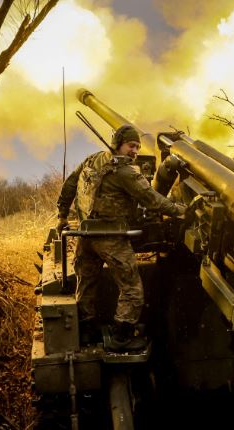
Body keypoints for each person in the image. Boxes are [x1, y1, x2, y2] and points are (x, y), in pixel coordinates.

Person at [56, 125, 186, 352]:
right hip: (111, 237)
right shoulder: (126, 172)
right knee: (132, 288)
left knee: (86, 281)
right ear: (118, 143)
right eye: (131, 146)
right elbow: (152, 199)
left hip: (85, 234)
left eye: (137, 146)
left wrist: (62, 215)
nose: (134, 151)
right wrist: (180, 210)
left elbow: (70, 184)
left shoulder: (93, 160)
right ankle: (121, 335)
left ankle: (87, 328)